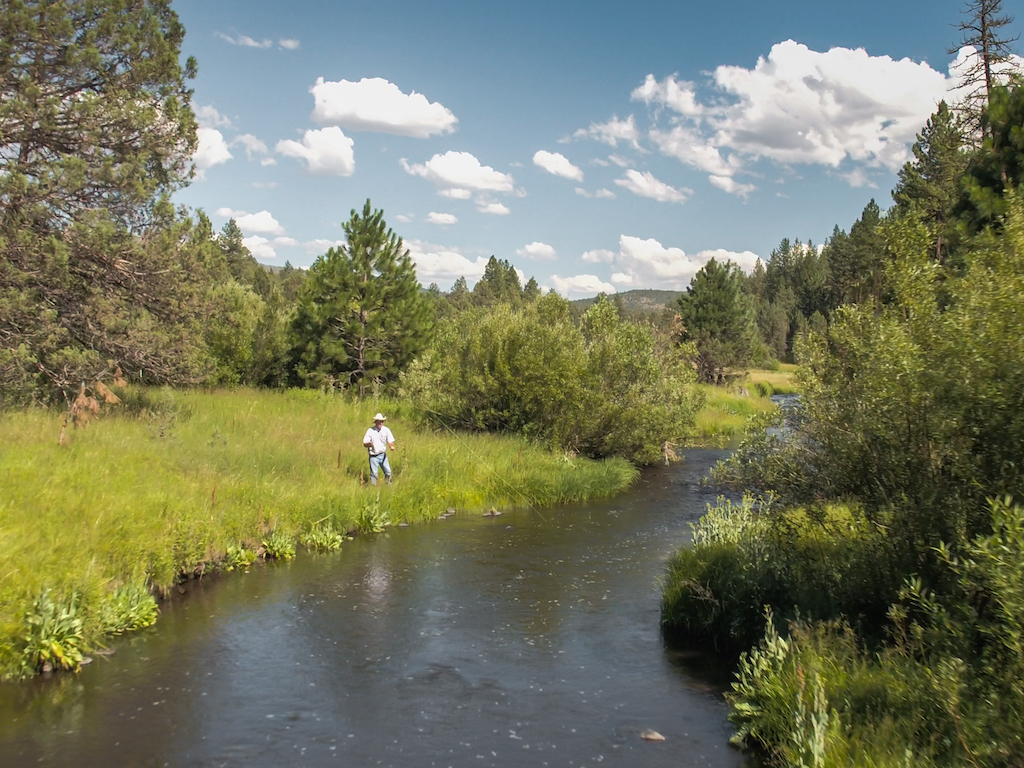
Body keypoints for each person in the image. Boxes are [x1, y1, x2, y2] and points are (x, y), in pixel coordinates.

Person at [362, 413, 396, 485]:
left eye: (381, 421)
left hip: (383, 455)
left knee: (388, 472)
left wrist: (391, 446)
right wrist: (369, 444)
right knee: (374, 474)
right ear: (375, 422)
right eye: (379, 421)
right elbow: (365, 443)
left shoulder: (386, 430)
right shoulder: (370, 431)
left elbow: (390, 440)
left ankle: (388, 486)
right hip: (373, 456)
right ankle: (373, 489)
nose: (380, 423)